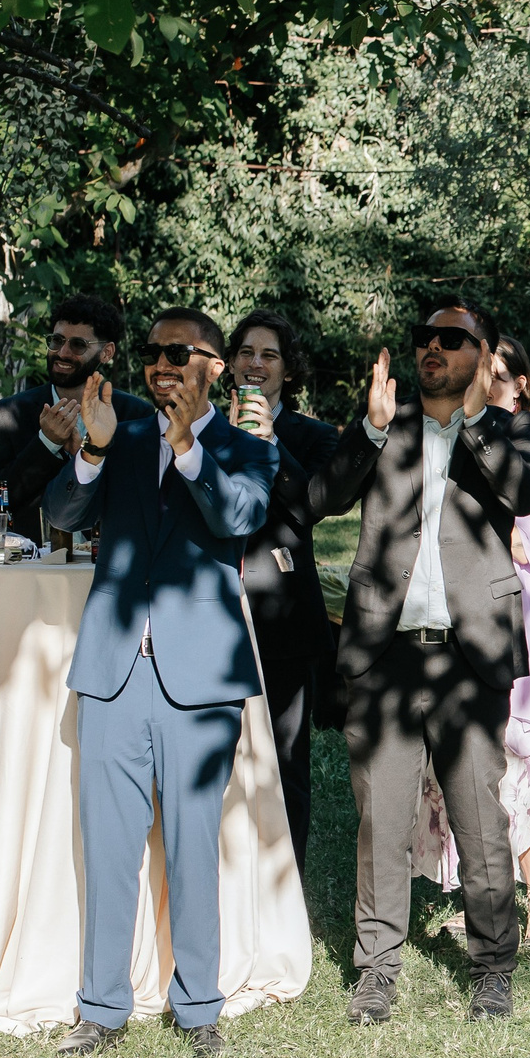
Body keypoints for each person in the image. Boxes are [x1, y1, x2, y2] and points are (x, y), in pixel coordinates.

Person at [41, 308, 278, 1058]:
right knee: (107, 846)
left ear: (215, 365)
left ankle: (198, 1005)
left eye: (179, 352)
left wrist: (188, 453)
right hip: (113, 668)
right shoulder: (122, 432)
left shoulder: (247, 447)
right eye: (153, 353)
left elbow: (238, 515)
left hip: (201, 674)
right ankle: (102, 1007)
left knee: (192, 844)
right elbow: (61, 513)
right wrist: (91, 452)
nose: (162, 364)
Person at [308, 300, 530, 1026]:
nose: (433, 348)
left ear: (485, 351)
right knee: (381, 818)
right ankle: (376, 968)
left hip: (469, 658)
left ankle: (492, 965)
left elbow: (525, 493)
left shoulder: (510, 431)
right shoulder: (388, 428)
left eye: (453, 338)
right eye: (426, 338)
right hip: (386, 657)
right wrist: (371, 428)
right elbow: (323, 495)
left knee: (480, 816)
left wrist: (475, 422)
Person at [424, 337, 530, 949]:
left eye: (499, 378)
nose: (487, 388)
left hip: (511, 618)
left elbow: (523, 537)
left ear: (522, 386)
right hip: (448, 614)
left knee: (515, 754)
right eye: (477, 379)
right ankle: (484, 893)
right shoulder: (446, 447)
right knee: (458, 754)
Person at [229, 309, 338, 866]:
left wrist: (272, 444)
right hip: (213, 614)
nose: (256, 364)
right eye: (246, 352)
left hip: (284, 621)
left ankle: (285, 889)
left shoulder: (313, 436)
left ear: (286, 371)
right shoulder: (201, 429)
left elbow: (313, 507)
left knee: (284, 761)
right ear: (229, 363)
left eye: (268, 355)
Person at [0, 294, 151, 525]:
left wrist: (89, 459)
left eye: (77, 345)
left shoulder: (135, 415)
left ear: (106, 352)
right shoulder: (8, 414)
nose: (63, 353)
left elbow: (139, 497)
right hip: (33, 557)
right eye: (56, 341)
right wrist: (46, 443)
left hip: (103, 554)